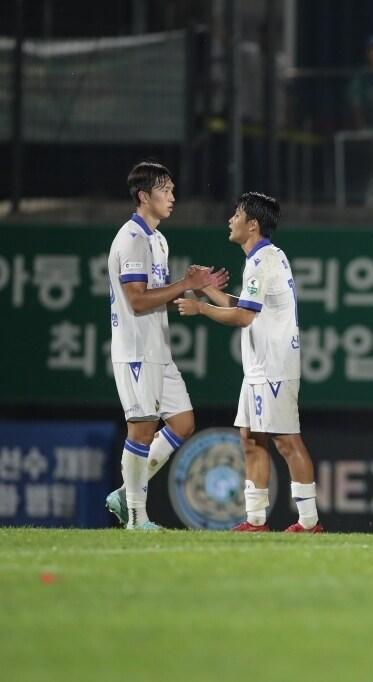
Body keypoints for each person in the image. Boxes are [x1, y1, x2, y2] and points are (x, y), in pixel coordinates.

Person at [174, 192, 323, 533]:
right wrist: (209, 291)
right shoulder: (264, 258)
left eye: (237, 214)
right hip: (259, 367)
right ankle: (256, 520)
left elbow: (242, 317)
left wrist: (201, 308)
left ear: (252, 225)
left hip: (274, 366)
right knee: (251, 439)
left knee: (287, 441)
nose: (231, 219)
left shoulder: (263, 261)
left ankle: (310, 522)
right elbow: (248, 305)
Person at [106, 161, 227, 529]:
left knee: (183, 422)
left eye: (173, 190)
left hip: (158, 349)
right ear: (144, 196)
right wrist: (185, 283)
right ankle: (136, 516)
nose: (172, 197)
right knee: (141, 429)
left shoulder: (158, 239)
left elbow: (157, 294)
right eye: (165, 190)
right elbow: (138, 300)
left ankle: (125, 492)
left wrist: (190, 283)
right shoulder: (131, 238)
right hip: (136, 350)